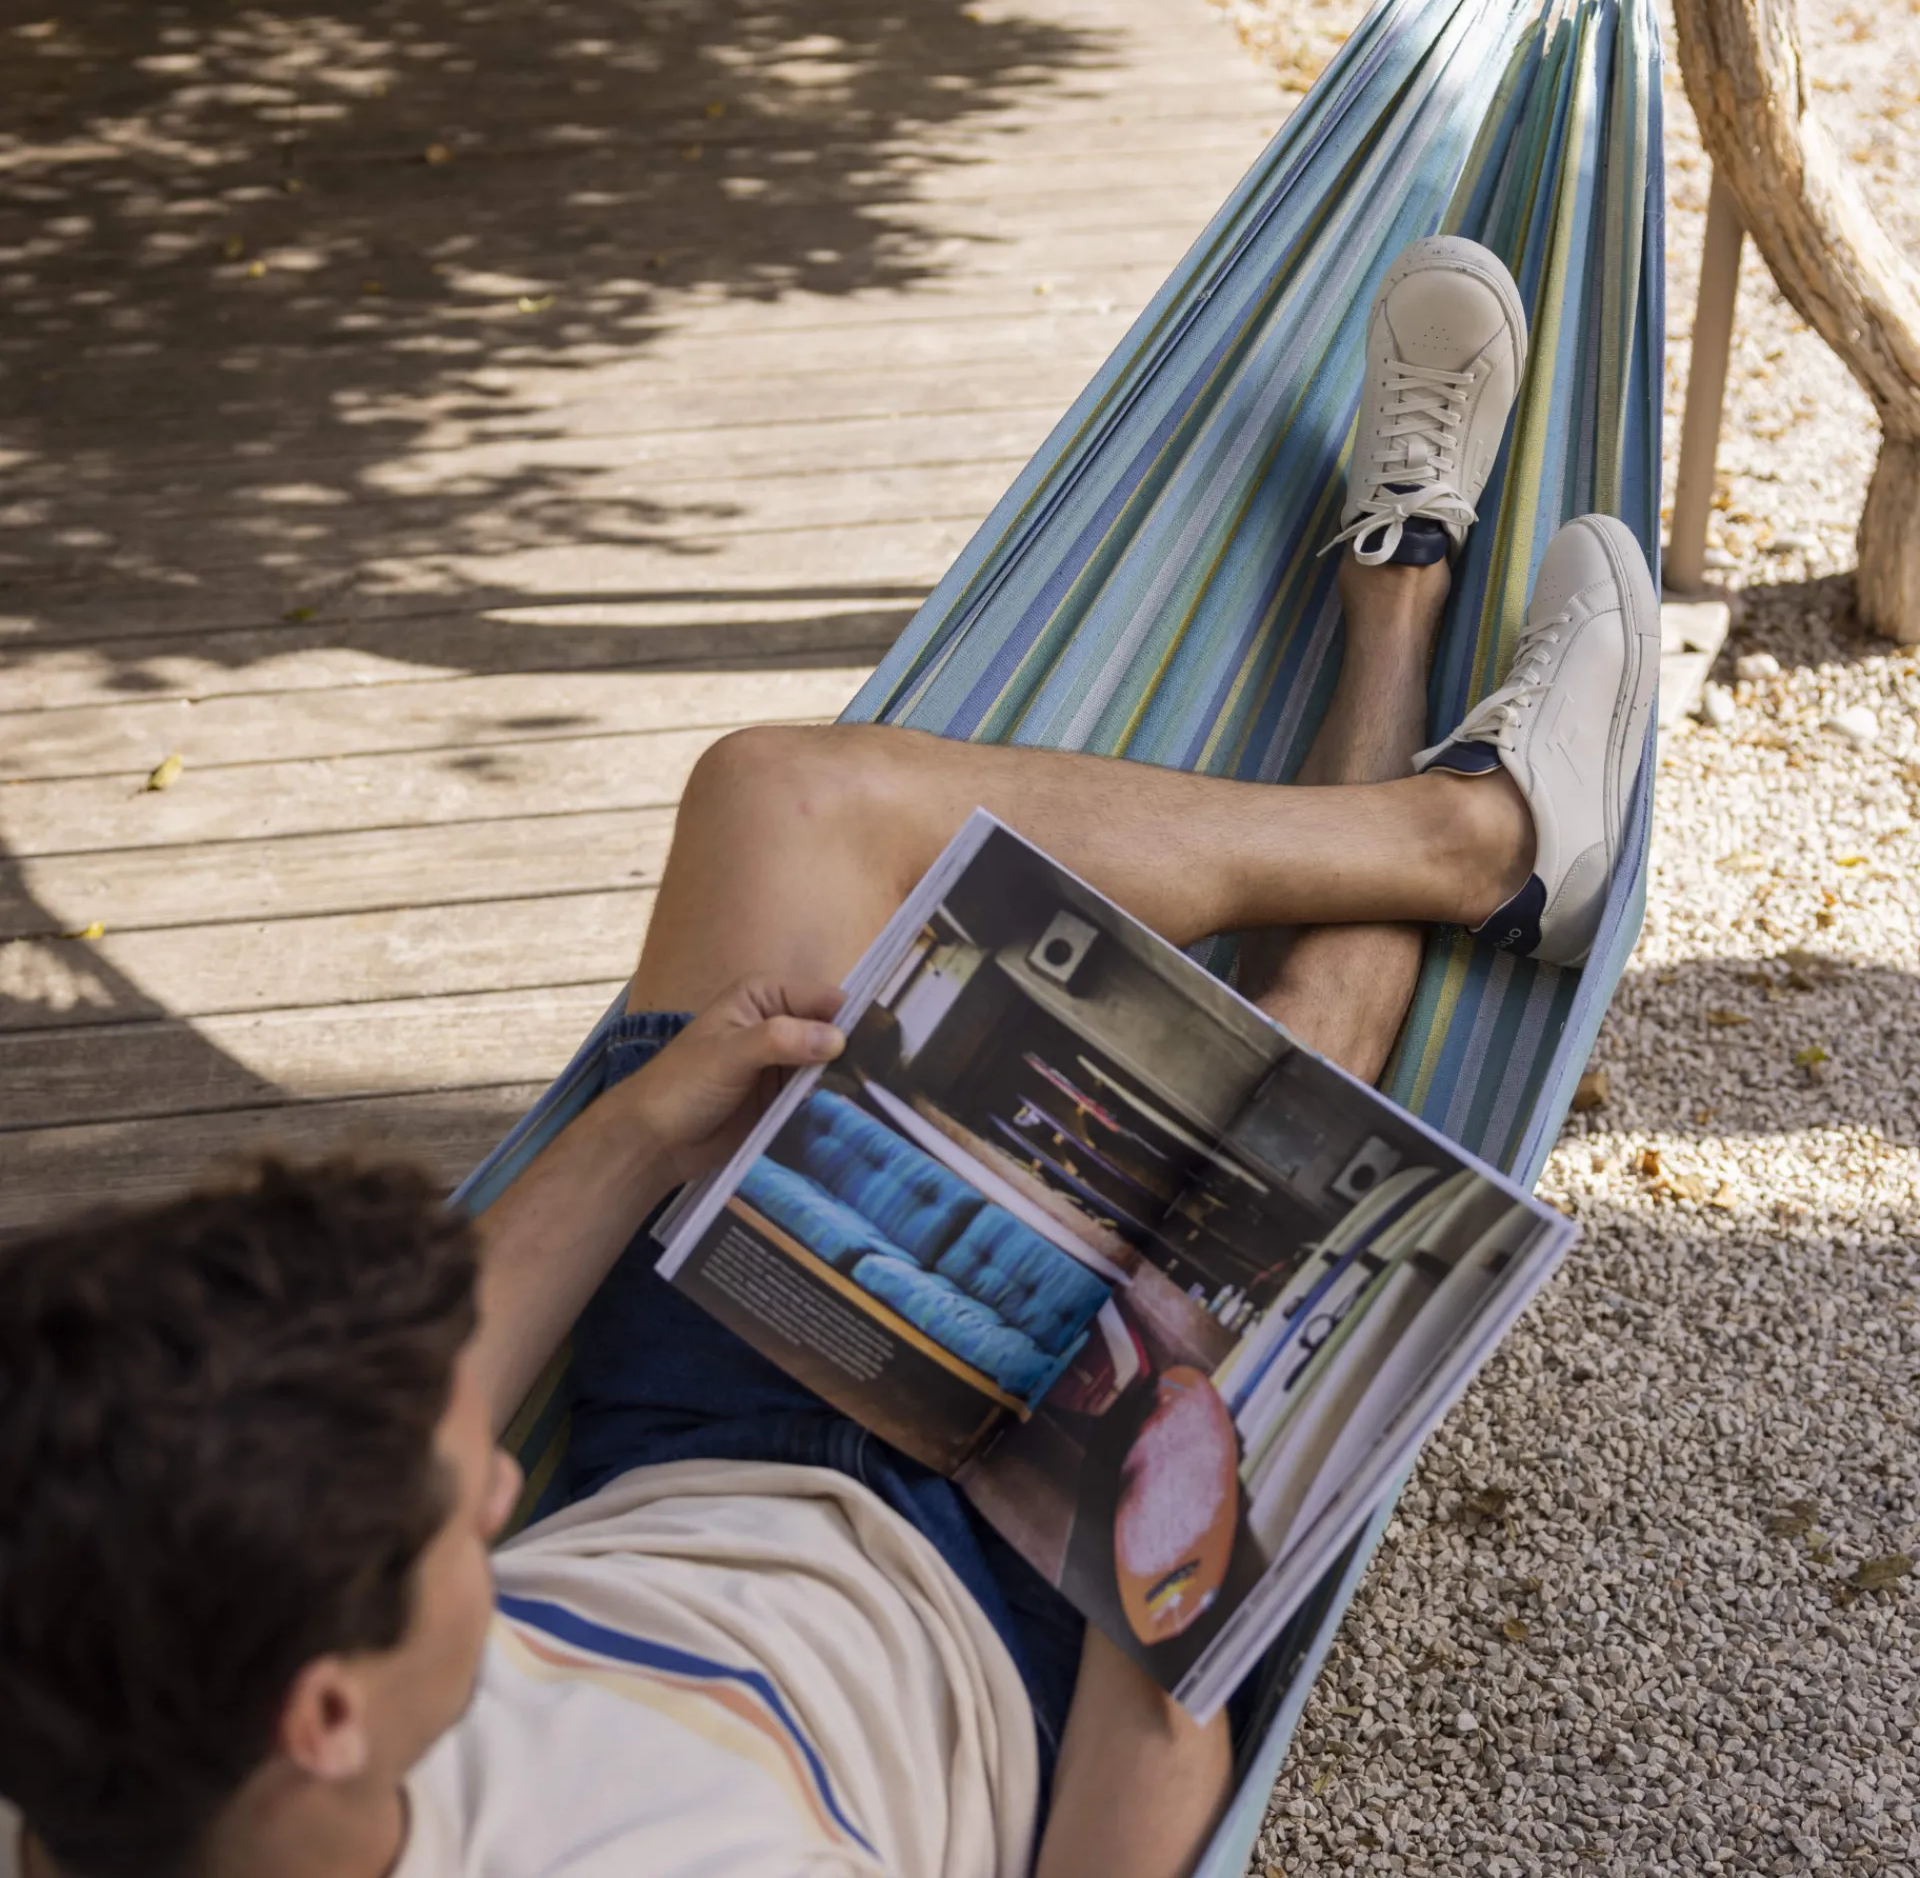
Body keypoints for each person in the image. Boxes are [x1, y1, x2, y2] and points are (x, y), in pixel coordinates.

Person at [0, 238, 1659, 1878]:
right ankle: (1406, 618)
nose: (501, 1478)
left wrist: (646, 1131)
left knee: (772, 801)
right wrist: (1166, 1611)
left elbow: (352, 1418)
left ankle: (1464, 841)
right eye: (446, 1515)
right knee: (1268, 1156)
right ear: (326, 1720)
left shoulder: (104, 1711)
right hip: (1023, 1621)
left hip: (698, 1427)